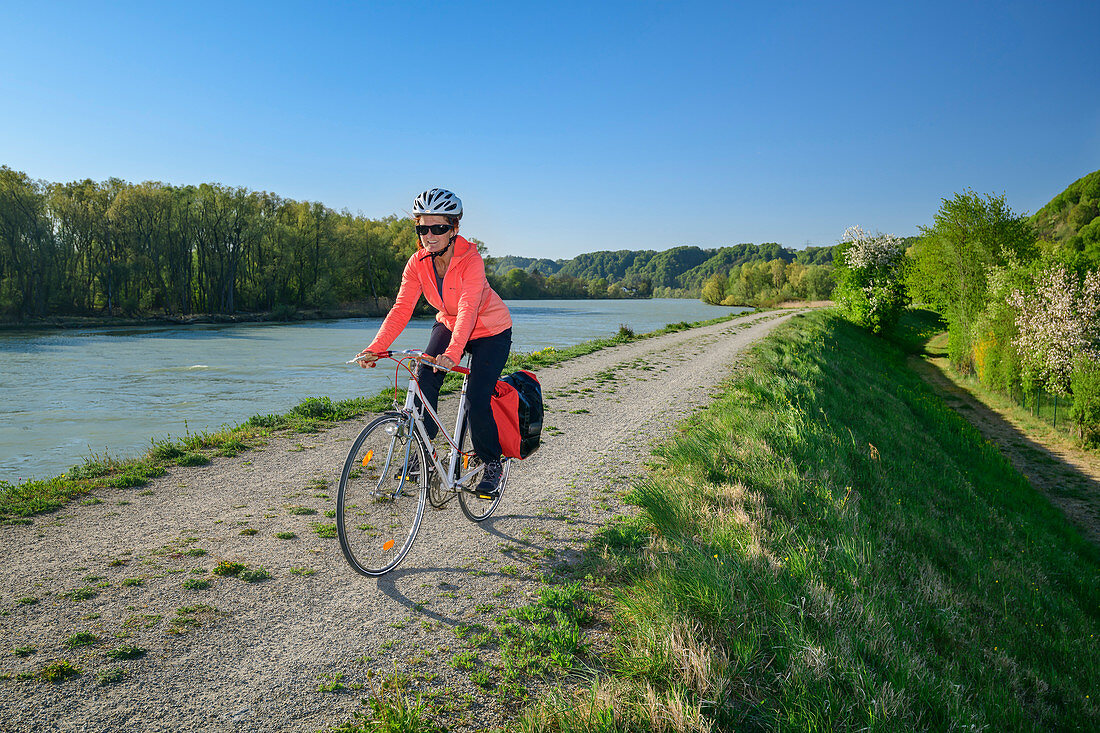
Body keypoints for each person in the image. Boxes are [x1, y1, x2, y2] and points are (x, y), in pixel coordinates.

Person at [355, 189, 513, 497]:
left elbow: (468, 309)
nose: (429, 235)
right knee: (425, 377)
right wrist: (376, 346)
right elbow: (401, 309)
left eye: (438, 228)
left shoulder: (471, 261)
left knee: (477, 398)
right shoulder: (417, 263)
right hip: (449, 323)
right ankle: (424, 455)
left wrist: (452, 354)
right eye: (422, 228)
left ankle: (492, 463)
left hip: (491, 331)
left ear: (454, 228)